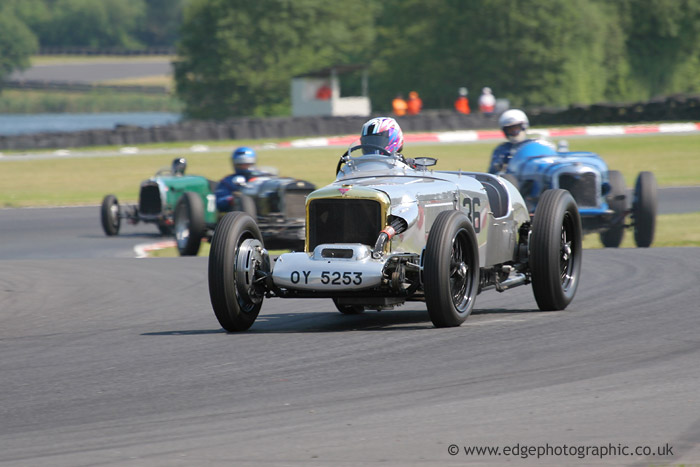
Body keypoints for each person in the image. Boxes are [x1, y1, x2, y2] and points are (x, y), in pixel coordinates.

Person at [215, 146, 267, 211]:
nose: (244, 166)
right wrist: (233, 199)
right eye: (240, 164)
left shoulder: (263, 176)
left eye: (247, 164)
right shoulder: (228, 181)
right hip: (240, 212)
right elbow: (219, 202)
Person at [487, 109, 533, 174]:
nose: (514, 132)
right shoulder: (502, 150)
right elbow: (493, 173)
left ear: (524, 127)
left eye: (516, 128)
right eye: (510, 129)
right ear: (505, 131)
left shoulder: (533, 145)